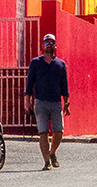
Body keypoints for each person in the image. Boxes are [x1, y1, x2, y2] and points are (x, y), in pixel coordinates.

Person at [26, 33, 70, 169]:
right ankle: (46, 161)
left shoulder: (61, 64)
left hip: (56, 102)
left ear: (55, 45)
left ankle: (52, 153)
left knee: (59, 131)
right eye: (46, 43)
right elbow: (29, 84)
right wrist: (27, 102)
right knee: (43, 132)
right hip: (40, 103)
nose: (49, 45)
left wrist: (67, 104)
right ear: (42, 46)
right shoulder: (35, 63)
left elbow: (64, 86)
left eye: (51, 43)